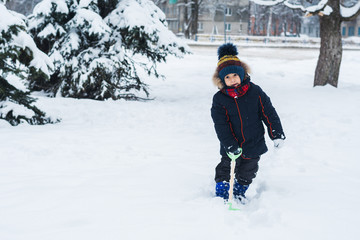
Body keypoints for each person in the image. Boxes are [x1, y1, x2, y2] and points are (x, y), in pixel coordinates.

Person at [211, 43, 285, 202]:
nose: (232, 80)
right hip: (231, 145)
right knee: (226, 168)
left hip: (254, 142)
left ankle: (239, 190)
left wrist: (276, 133)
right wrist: (229, 144)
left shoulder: (255, 91)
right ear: (222, 80)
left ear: (242, 74)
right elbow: (221, 125)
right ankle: (223, 192)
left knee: (249, 170)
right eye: (227, 77)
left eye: (235, 75)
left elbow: (268, 112)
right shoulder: (219, 99)